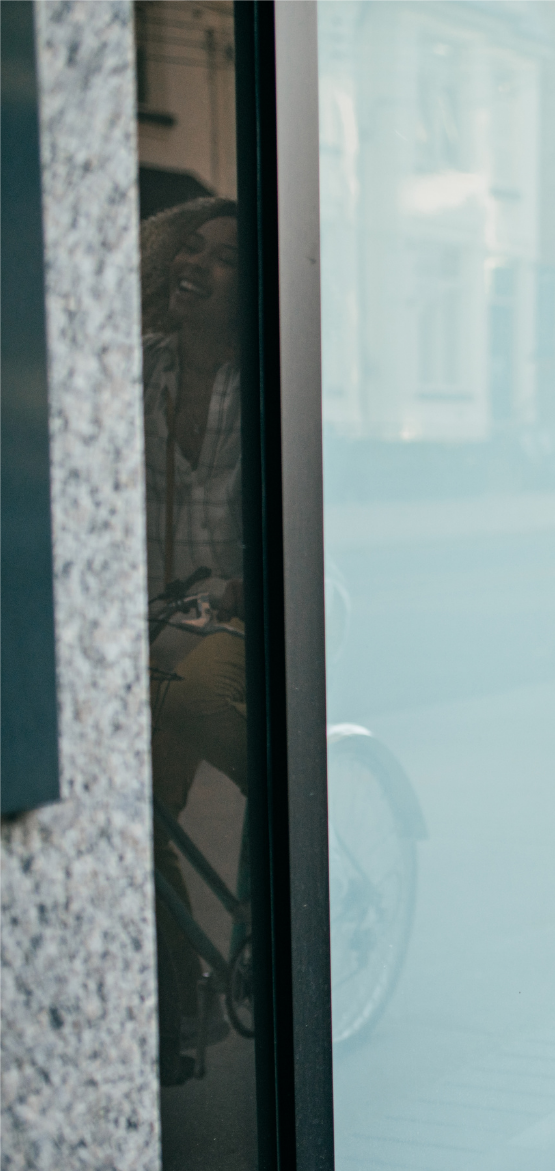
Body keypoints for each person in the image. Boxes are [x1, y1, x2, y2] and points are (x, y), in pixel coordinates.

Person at [142, 197, 248, 1084]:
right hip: (156, 621)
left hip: (247, 611)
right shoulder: (141, 369)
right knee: (133, 813)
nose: (194, 264)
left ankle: (295, 817)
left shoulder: (265, 385)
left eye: (220, 259)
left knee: (192, 689)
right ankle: (187, 1004)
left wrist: (223, 595)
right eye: (191, 248)